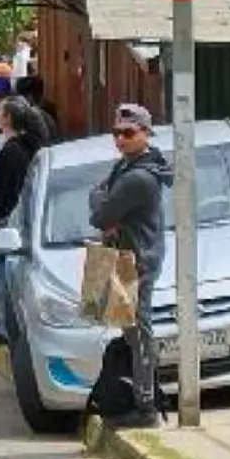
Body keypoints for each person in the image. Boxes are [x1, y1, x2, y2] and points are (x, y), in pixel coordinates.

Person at [89, 103, 173, 429]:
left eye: (128, 133)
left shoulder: (138, 176)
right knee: (130, 327)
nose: (120, 139)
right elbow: (98, 194)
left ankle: (146, 405)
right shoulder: (127, 166)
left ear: (145, 133)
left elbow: (100, 214)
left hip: (136, 260)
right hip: (127, 256)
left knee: (138, 330)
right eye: (116, 133)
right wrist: (105, 205)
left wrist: (108, 212)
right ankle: (142, 397)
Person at [0, 96, 48, 344]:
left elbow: (4, 188)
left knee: (5, 280)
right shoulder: (30, 148)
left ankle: (6, 328)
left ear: (8, 118)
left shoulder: (12, 151)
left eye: (0, 111)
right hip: (24, 219)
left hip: (8, 221)